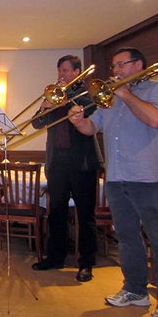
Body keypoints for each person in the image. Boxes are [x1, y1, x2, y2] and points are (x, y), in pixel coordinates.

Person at [69, 47, 158, 313]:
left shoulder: (152, 89)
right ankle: (135, 290)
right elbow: (92, 128)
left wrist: (126, 94)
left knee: (156, 237)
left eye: (121, 65)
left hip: (147, 176)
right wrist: (78, 121)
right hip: (117, 176)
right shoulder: (109, 99)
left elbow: (154, 120)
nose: (116, 70)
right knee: (128, 236)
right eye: (114, 67)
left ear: (138, 64)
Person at [30, 55, 102, 283]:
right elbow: (36, 123)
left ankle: (86, 263)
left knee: (86, 215)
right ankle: (56, 257)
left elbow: (88, 113)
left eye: (65, 70)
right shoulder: (53, 94)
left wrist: (66, 98)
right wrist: (46, 105)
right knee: (56, 212)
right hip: (57, 162)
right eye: (59, 70)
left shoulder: (87, 92)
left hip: (82, 163)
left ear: (76, 71)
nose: (61, 74)